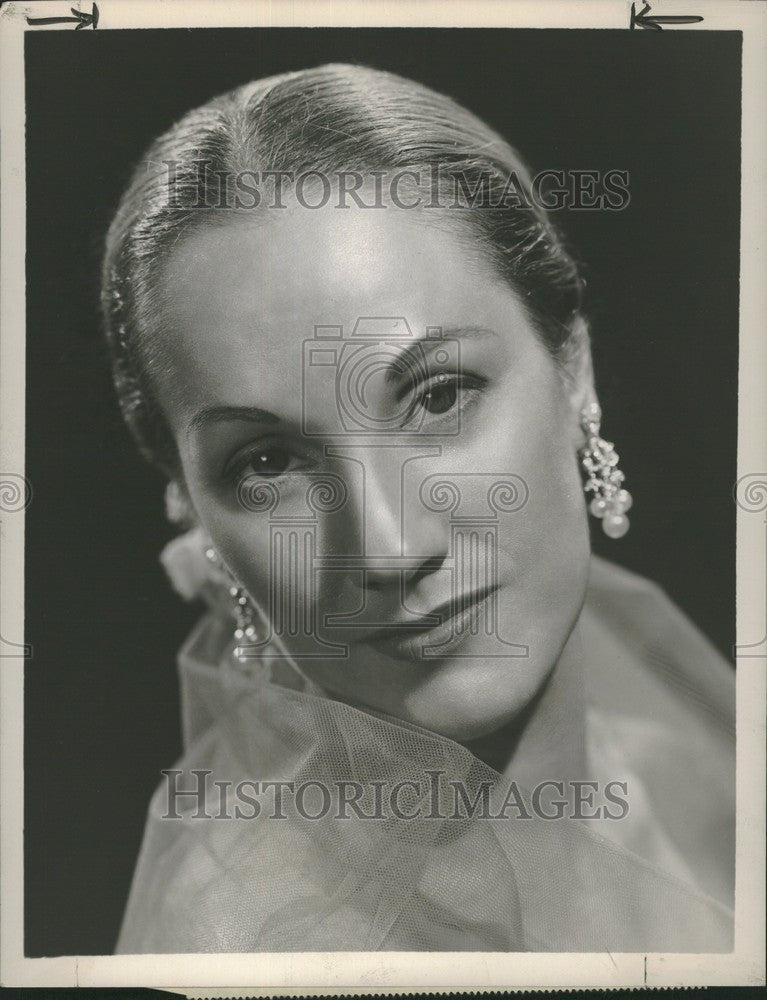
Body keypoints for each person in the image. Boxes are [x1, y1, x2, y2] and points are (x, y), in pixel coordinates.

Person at [102, 64, 734, 952]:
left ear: (571, 367)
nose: (389, 547)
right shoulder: (250, 949)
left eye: (438, 397)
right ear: (194, 513)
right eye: (269, 461)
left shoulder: (701, 779)